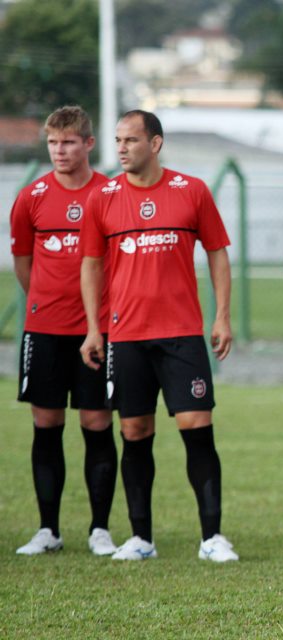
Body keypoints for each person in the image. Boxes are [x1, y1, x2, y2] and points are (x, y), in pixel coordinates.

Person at [79, 110, 237, 562]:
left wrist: (221, 317)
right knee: (134, 430)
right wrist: (94, 328)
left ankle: (212, 538)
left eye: (131, 140)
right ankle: (141, 539)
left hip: (182, 334)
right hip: (126, 336)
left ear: (156, 143)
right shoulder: (103, 197)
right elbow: (90, 264)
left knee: (197, 428)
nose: (122, 148)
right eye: (118, 140)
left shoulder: (192, 191)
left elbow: (218, 254)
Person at [9, 105, 118, 556]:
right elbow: (23, 263)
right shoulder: (31, 196)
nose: (60, 151)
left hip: (99, 330)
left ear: (88, 144)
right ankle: (48, 529)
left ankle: (100, 529)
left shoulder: (111, 193)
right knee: (46, 423)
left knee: (96, 422)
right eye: (53, 143)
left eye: (69, 142)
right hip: (45, 329)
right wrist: (47, 300)